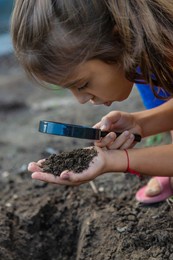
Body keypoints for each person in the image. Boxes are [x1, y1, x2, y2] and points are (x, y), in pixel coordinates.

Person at [11, 0, 173, 203]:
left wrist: (119, 160)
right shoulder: (144, 39)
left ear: (119, 39)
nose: (80, 99)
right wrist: (141, 123)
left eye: (82, 84)